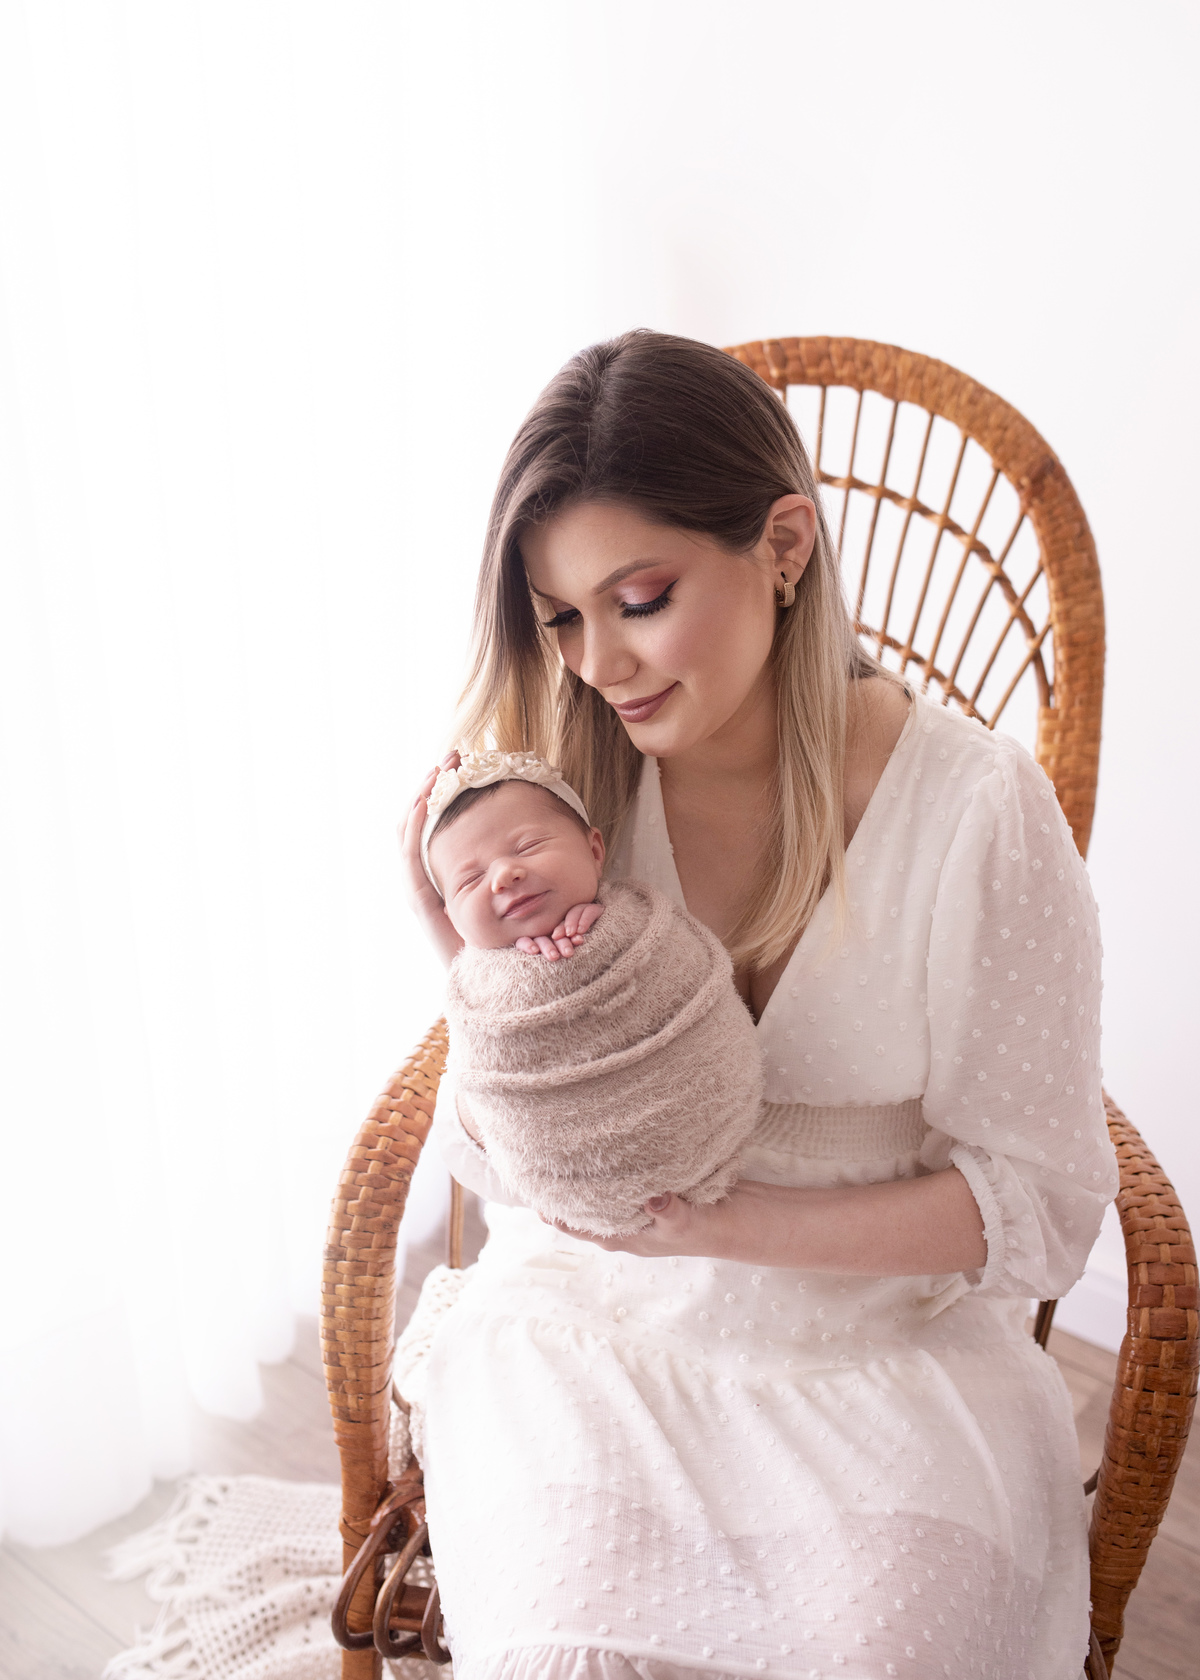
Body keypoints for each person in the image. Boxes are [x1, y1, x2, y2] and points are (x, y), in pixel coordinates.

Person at [399, 329, 1117, 1680]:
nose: (599, 664)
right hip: (591, 1333)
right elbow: (488, 1161)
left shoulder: (977, 813)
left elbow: (1040, 1207)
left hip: (884, 1352)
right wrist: (467, 965)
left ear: (785, 546)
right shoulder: (559, 797)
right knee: (568, 1661)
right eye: (562, 617)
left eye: (641, 598)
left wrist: (727, 1226)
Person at [422, 750, 762, 1236]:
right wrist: (517, 980)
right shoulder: (474, 990)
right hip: (571, 1198)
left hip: (718, 1147)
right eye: (471, 879)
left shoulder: (644, 920)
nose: (504, 875)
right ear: (451, 917)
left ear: (596, 850)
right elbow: (489, 1092)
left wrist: (614, 938)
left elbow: (696, 996)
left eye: (528, 845)